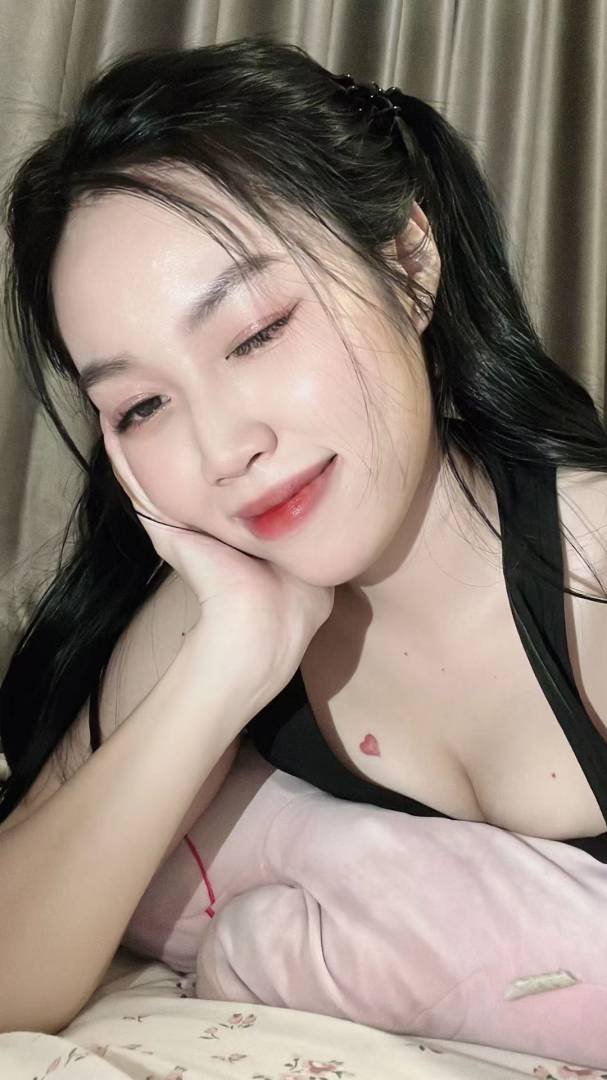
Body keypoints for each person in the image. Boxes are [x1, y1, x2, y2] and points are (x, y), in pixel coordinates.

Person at [0, 36, 605, 1045]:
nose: (223, 449)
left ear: (407, 265)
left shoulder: (591, 569)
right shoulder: (204, 611)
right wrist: (228, 660)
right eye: (141, 405)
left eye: (256, 332)